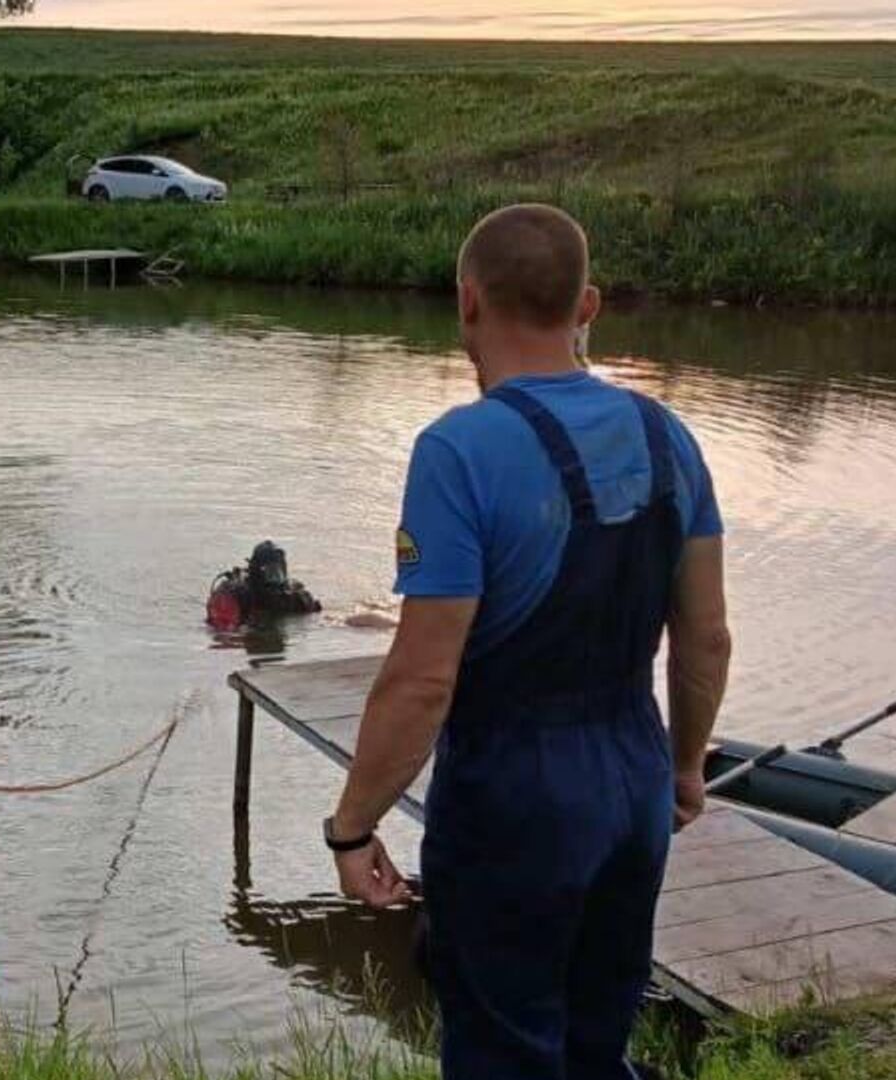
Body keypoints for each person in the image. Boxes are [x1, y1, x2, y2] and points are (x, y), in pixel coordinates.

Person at [323, 205, 732, 1078]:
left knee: (503, 1051)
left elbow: (422, 681)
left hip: (515, 795)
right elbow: (706, 639)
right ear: (588, 304)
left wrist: (352, 830)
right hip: (634, 780)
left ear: (467, 301)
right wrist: (684, 766)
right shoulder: (669, 438)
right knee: (598, 1042)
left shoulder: (460, 450)